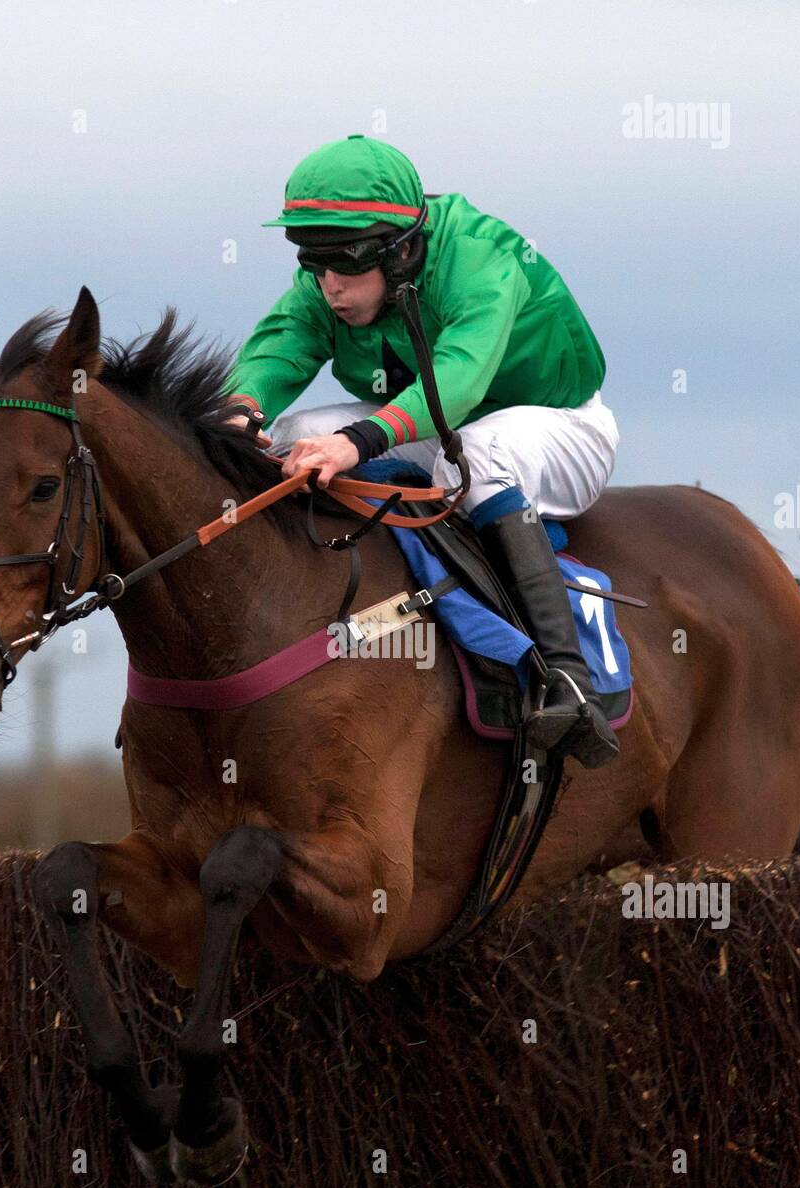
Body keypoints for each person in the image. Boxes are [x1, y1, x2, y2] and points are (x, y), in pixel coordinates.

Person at [225, 135, 620, 768]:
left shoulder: (481, 258)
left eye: (345, 267)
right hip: (442, 428)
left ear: (402, 250)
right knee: (292, 436)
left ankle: (566, 677)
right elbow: (280, 346)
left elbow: (457, 378)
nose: (329, 287)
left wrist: (358, 442)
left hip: (558, 427)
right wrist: (242, 410)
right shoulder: (333, 281)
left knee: (483, 451)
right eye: (313, 264)